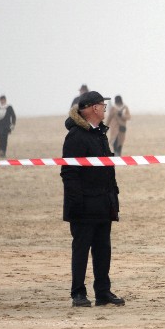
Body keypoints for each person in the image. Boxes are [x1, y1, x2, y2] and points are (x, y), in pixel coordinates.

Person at [61, 90, 124, 307]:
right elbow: (69, 173)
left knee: (102, 250)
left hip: (103, 203)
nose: (104, 109)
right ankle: (78, 292)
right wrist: (77, 203)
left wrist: (112, 196)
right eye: (101, 105)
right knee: (81, 250)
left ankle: (103, 292)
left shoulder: (99, 133)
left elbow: (107, 168)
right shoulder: (75, 136)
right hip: (83, 205)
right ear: (92, 108)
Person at [0, 95, 17, 159]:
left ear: (5, 100)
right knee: (0, 139)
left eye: (3, 100)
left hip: (6, 126)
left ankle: (4, 151)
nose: (2, 101)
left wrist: (13, 124)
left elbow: (13, 116)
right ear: (0, 100)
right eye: (1, 100)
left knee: (5, 139)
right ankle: (1, 151)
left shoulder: (9, 107)